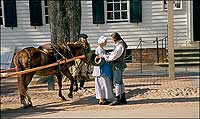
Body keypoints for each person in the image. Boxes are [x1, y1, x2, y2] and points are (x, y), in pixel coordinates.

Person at [99, 32, 128, 106]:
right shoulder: (120, 44)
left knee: (117, 82)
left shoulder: (120, 45)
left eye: (112, 39)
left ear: (115, 38)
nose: (112, 40)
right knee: (120, 82)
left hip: (117, 65)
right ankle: (123, 98)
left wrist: (105, 57)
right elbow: (115, 53)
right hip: (119, 64)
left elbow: (114, 56)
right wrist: (109, 54)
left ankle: (118, 99)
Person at [92, 36, 114, 105]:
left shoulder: (101, 49)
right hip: (101, 70)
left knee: (102, 84)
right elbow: (101, 58)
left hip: (102, 70)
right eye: (105, 41)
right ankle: (102, 98)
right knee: (102, 84)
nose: (106, 42)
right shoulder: (99, 49)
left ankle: (103, 98)